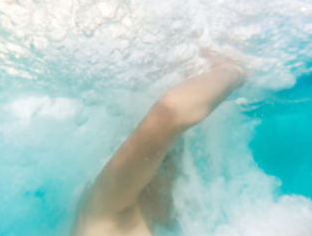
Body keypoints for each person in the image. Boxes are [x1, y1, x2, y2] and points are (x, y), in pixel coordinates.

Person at [71, 48, 246, 236]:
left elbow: (170, 110)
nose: (182, 184)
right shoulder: (110, 214)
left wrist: (234, 72)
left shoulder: (108, 211)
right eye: (178, 170)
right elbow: (170, 111)